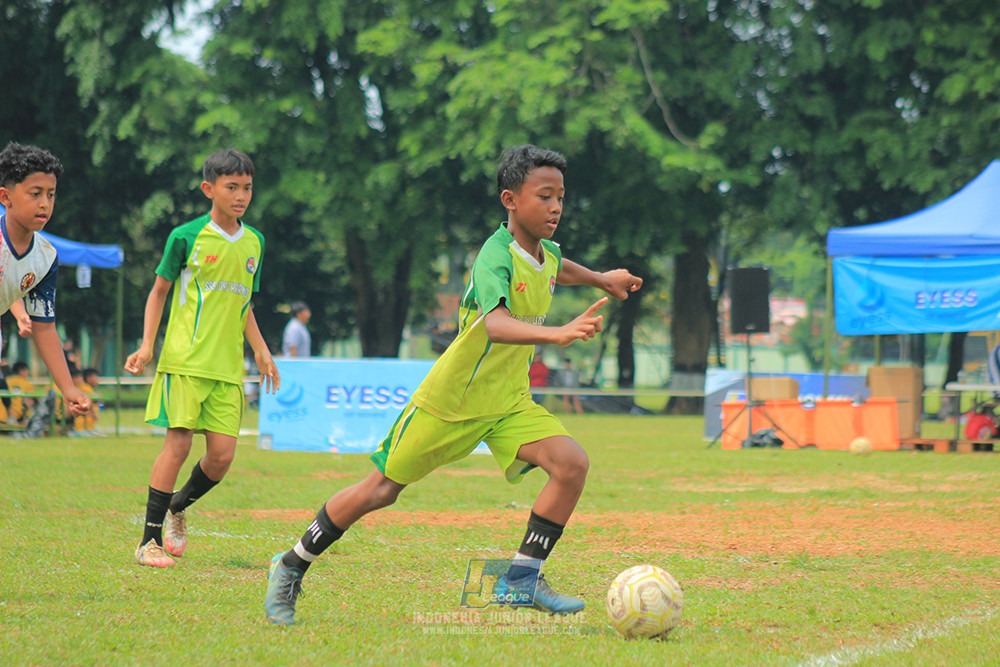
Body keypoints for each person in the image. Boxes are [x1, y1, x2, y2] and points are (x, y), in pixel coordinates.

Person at [264, 144, 642, 625]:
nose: (556, 208)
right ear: (510, 199)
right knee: (381, 490)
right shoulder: (493, 256)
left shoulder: (543, 253)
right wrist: (557, 333)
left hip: (506, 404)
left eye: (561, 198)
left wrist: (600, 279)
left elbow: (556, 268)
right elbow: (496, 325)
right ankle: (292, 564)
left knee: (571, 464)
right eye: (544, 196)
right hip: (450, 402)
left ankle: (521, 579)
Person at [125, 148, 280, 568]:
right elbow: (159, 292)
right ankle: (148, 543)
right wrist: (146, 345)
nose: (241, 195)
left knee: (222, 457)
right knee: (177, 445)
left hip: (227, 368)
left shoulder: (255, 242)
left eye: (247, 188)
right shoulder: (186, 236)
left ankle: (178, 506)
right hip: (185, 361)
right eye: (232, 187)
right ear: (209, 188)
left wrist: (262, 351)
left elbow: (244, 305)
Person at [0, 142, 91, 419]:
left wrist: (68, 388)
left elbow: (45, 328)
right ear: (6, 197)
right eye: (35, 193)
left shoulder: (46, 257)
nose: (44, 203)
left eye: (50, 195)